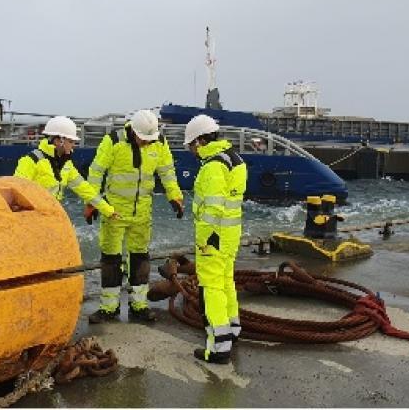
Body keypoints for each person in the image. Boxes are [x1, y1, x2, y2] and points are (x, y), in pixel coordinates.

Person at [87, 109, 183, 323]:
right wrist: (92, 203)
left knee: (140, 259)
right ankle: (109, 308)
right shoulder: (112, 141)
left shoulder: (159, 142)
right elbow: (96, 172)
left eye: (150, 139)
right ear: (133, 131)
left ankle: (138, 305)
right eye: (144, 139)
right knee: (111, 260)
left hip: (142, 213)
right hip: (114, 213)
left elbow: (167, 172)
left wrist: (174, 196)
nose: (147, 143)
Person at [184, 114, 247, 364]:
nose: (191, 151)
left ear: (200, 140)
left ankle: (218, 348)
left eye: (191, 146)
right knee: (225, 280)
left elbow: (212, 209)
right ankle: (232, 330)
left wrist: (203, 241)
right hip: (231, 233)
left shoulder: (213, 166)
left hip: (213, 236)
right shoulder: (234, 158)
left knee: (211, 288)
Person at [14, 116, 117, 221]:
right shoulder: (31, 161)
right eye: (71, 141)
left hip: (52, 218)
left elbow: (85, 189)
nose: (74, 145)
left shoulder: (66, 165)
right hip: (32, 220)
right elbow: (16, 191)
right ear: (59, 141)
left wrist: (109, 211)